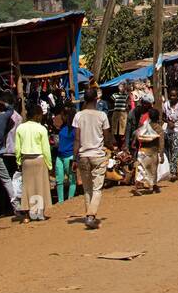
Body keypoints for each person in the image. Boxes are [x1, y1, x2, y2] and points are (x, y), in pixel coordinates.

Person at [73, 85, 112, 229]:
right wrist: (112, 147)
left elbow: (76, 139)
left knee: (87, 188)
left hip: (83, 156)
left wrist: (74, 158)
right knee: (97, 188)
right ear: (97, 98)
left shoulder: (78, 116)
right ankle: (91, 215)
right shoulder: (102, 116)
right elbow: (107, 138)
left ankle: (89, 215)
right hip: (97, 156)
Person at [15, 102, 53, 222]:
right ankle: (39, 214)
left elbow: (17, 148)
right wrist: (49, 164)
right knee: (40, 187)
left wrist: (18, 161)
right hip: (39, 159)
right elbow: (46, 149)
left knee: (27, 187)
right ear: (37, 115)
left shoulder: (20, 128)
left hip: (26, 160)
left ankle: (27, 215)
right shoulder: (41, 129)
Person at [134, 106, 163, 194]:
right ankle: (154, 186)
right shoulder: (159, 128)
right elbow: (161, 142)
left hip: (143, 150)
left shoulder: (145, 126)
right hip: (153, 151)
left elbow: (137, 135)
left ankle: (137, 188)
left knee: (141, 170)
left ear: (149, 117)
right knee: (153, 171)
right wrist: (161, 154)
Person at [52, 105, 77, 203]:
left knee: (72, 179)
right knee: (59, 180)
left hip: (70, 157)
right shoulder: (63, 127)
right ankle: (61, 201)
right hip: (60, 156)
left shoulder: (75, 129)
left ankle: (70, 200)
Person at [110, 81, 131, 146]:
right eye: (120, 86)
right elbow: (112, 102)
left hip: (123, 113)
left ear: (125, 88)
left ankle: (122, 144)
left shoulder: (126, 96)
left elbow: (127, 104)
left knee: (123, 128)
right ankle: (116, 142)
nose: (121, 88)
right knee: (115, 128)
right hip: (116, 112)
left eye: (122, 86)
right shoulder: (115, 95)